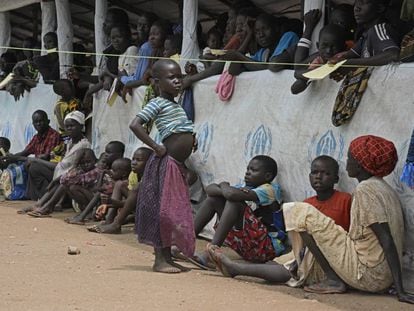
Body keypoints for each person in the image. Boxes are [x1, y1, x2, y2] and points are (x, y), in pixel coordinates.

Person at [206, 155, 351, 283]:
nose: (318, 177)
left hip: (330, 252)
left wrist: (224, 186)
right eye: (314, 172)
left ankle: (235, 268)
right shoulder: (307, 204)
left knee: (287, 269)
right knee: (273, 265)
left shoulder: (345, 200)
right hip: (306, 251)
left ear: (336, 178)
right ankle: (190, 243)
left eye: (325, 173)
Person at [129, 58, 196, 274]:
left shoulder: (174, 105)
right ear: (157, 82)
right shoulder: (157, 102)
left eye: (180, 77)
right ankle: (159, 259)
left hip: (176, 164)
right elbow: (135, 124)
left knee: (171, 212)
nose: (178, 81)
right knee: (163, 212)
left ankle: (167, 257)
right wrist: (156, 147)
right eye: (172, 77)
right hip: (166, 163)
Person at [192, 155, 282, 269]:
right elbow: (210, 189)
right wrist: (226, 190)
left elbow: (231, 194)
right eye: (248, 169)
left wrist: (224, 185)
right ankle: (185, 243)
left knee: (234, 202)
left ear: (267, 176)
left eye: (253, 170)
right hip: (246, 245)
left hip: (266, 248)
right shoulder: (244, 187)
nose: (248, 173)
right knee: (213, 199)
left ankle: (211, 253)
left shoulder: (270, 189)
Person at [20, 111, 90, 206]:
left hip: (72, 176)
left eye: (72, 126)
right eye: (67, 126)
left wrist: (36, 160)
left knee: (37, 167)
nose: (69, 128)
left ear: (81, 127)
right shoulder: (69, 143)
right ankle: (46, 201)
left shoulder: (83, 145)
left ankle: (48, 203)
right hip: (63, 172)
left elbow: (67, 167)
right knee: (35, 167)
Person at [87, 147, 153, 234]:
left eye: (138, 160)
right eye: (133, 159)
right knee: (119, 184)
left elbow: (137, 203)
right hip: (138, 206)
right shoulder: (133, 175)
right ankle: (109, 221)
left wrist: (111, 202)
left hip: (151, 210)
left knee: (137, 187)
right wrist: (108, 204)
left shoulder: (153, 179)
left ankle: (116, 224)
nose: (133, 163)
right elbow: (131, 201)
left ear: (150, 163)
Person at [330, 0, 400, 81]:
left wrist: (353, 64)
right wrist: (337, 64)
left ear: (380, 8)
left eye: (364, 2)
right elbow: (349, 55)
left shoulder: (379, 29)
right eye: (356, 3)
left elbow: (393, 54)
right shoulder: (365, 35)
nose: (356, 8)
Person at [63, 141, 126, 224]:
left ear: (119, 154)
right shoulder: (104, 167)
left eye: (109, 152)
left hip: (113, 200)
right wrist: (101, 174)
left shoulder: (123, 166)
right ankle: (86, 213)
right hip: (101, 197)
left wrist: (100, 188)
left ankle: (84, 216)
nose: (106, 154)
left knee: (98, 194)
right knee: (73, 187)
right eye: (106, 152)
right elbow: (96, 186)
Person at [26, 148, 99, 217]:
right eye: (83, 163)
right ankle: (47, 206)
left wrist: (73, 167)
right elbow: (64, 178)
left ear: (95, 161)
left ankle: (48, 206)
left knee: (69, 184)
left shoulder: (96, 171)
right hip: (85, 202)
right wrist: (57, 180)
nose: (86, 165)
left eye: (88, 162)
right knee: (66, 185)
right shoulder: (81, 170)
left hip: (96, 202)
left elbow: (78, 179)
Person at [291, 10, 348, 94]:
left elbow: (298, 72)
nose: (328, 51)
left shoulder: (343, 57)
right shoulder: (319, 59)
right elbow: (294, 88)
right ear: (318, 46)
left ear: (344, 48)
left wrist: (306, 73)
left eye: (334, 47)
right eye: (324, 46)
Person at [92, 157, 132, 224]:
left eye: (114, 171)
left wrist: (109, 203)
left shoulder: (123, 184)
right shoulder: (119, 182)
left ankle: (110, 220)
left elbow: (97, 189)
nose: (111, 172)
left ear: (124, 174)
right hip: (121, 207)